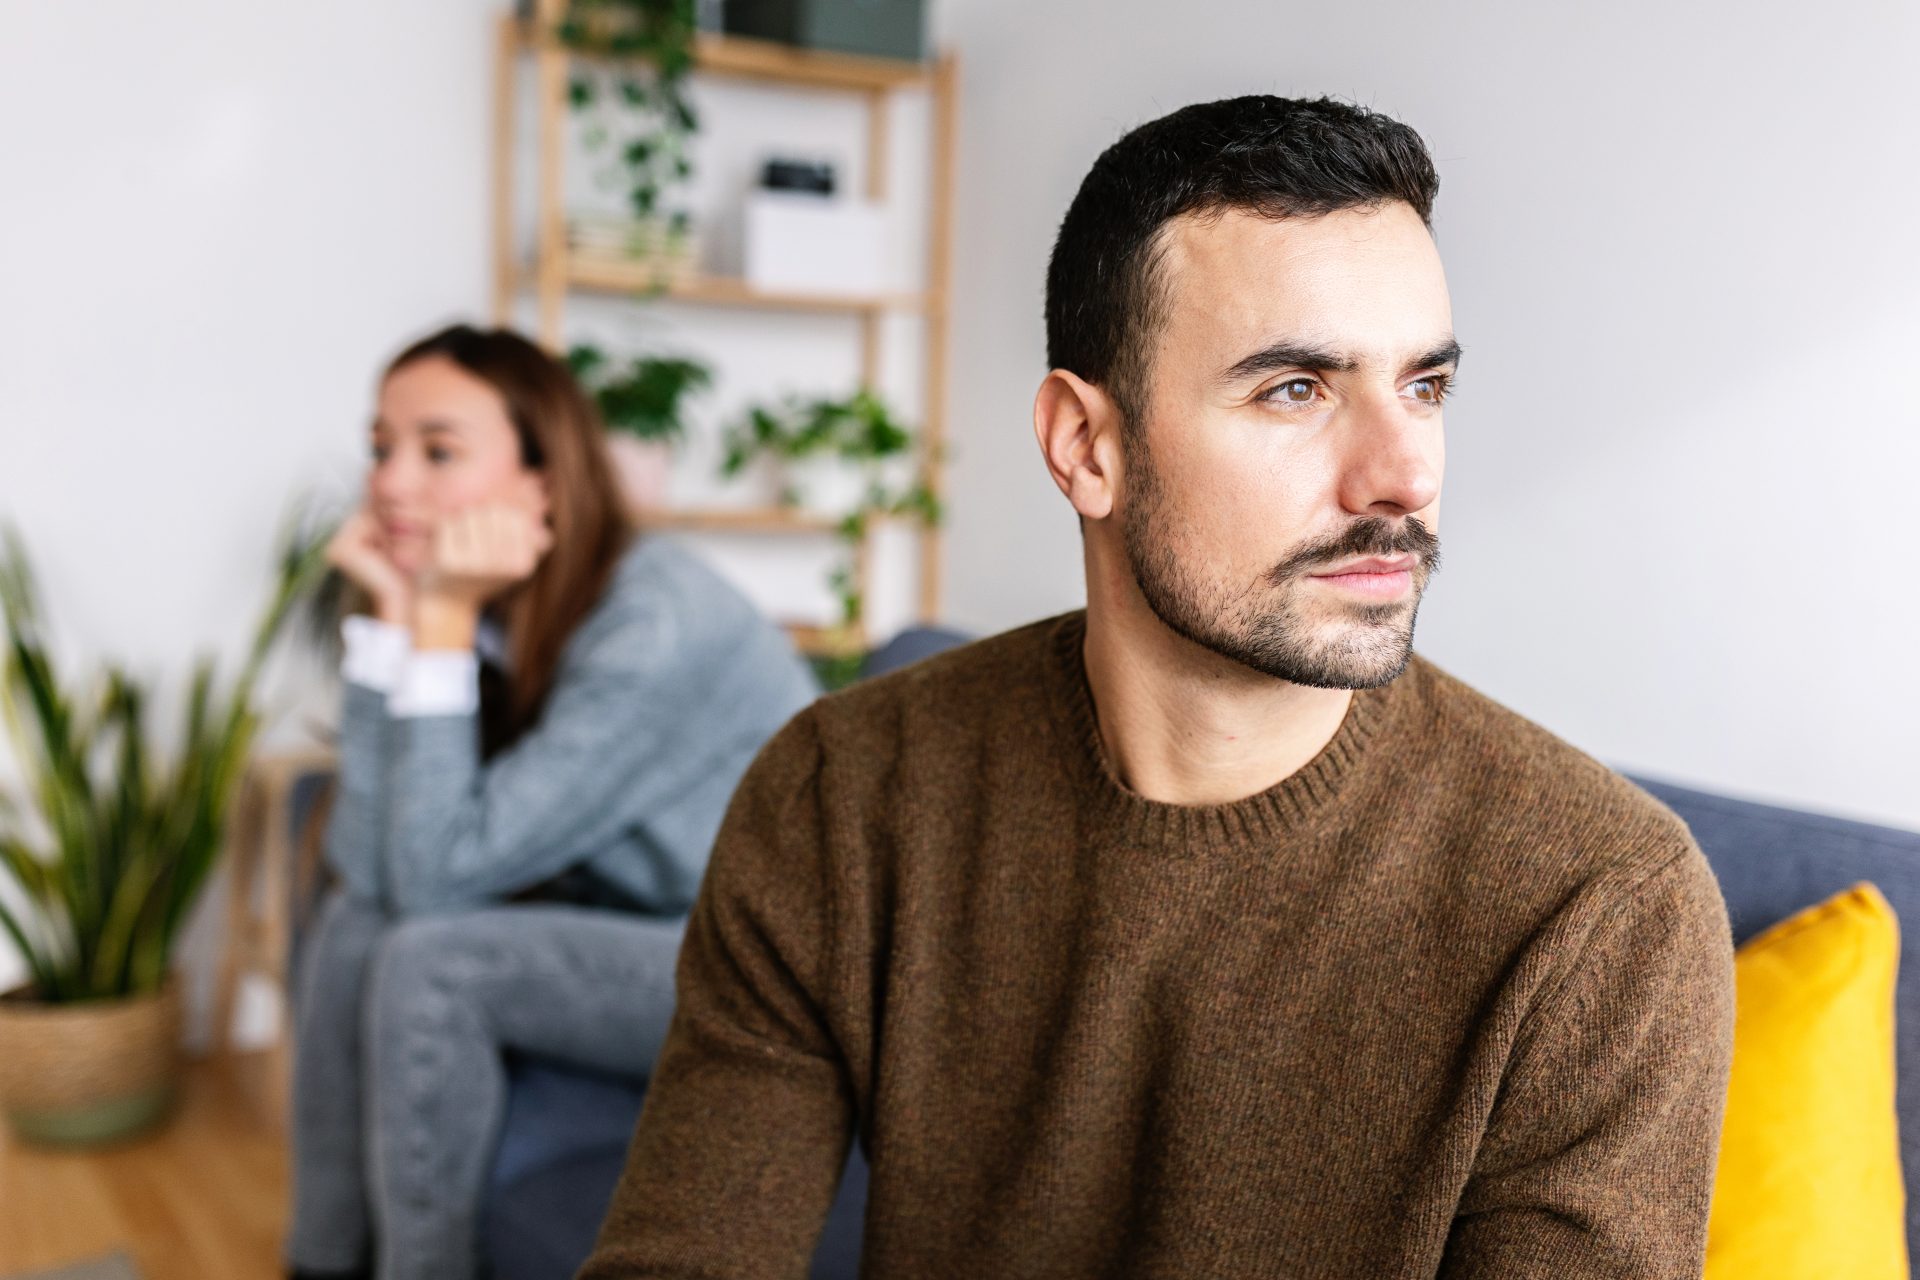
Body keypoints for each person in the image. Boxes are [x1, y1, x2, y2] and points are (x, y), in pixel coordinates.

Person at [578, 95, 1737, 1278]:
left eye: (1426, 386)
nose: (1405, 474)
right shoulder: (843, 796)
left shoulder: (1602, 908)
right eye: (1297, 388)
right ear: (1087, 446)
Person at [282, 323, 819, 1280]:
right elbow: (374, 864)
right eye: (381, 448)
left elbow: (437, 880)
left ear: (544, 479)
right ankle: (322, 1262)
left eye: (437, 451)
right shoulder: (493, 596)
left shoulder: (651, 622)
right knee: (356, 917)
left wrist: (435, 620)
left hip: (763, 964)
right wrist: (389, 624)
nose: (391, 483)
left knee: (429, 960)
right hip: (628, 911)